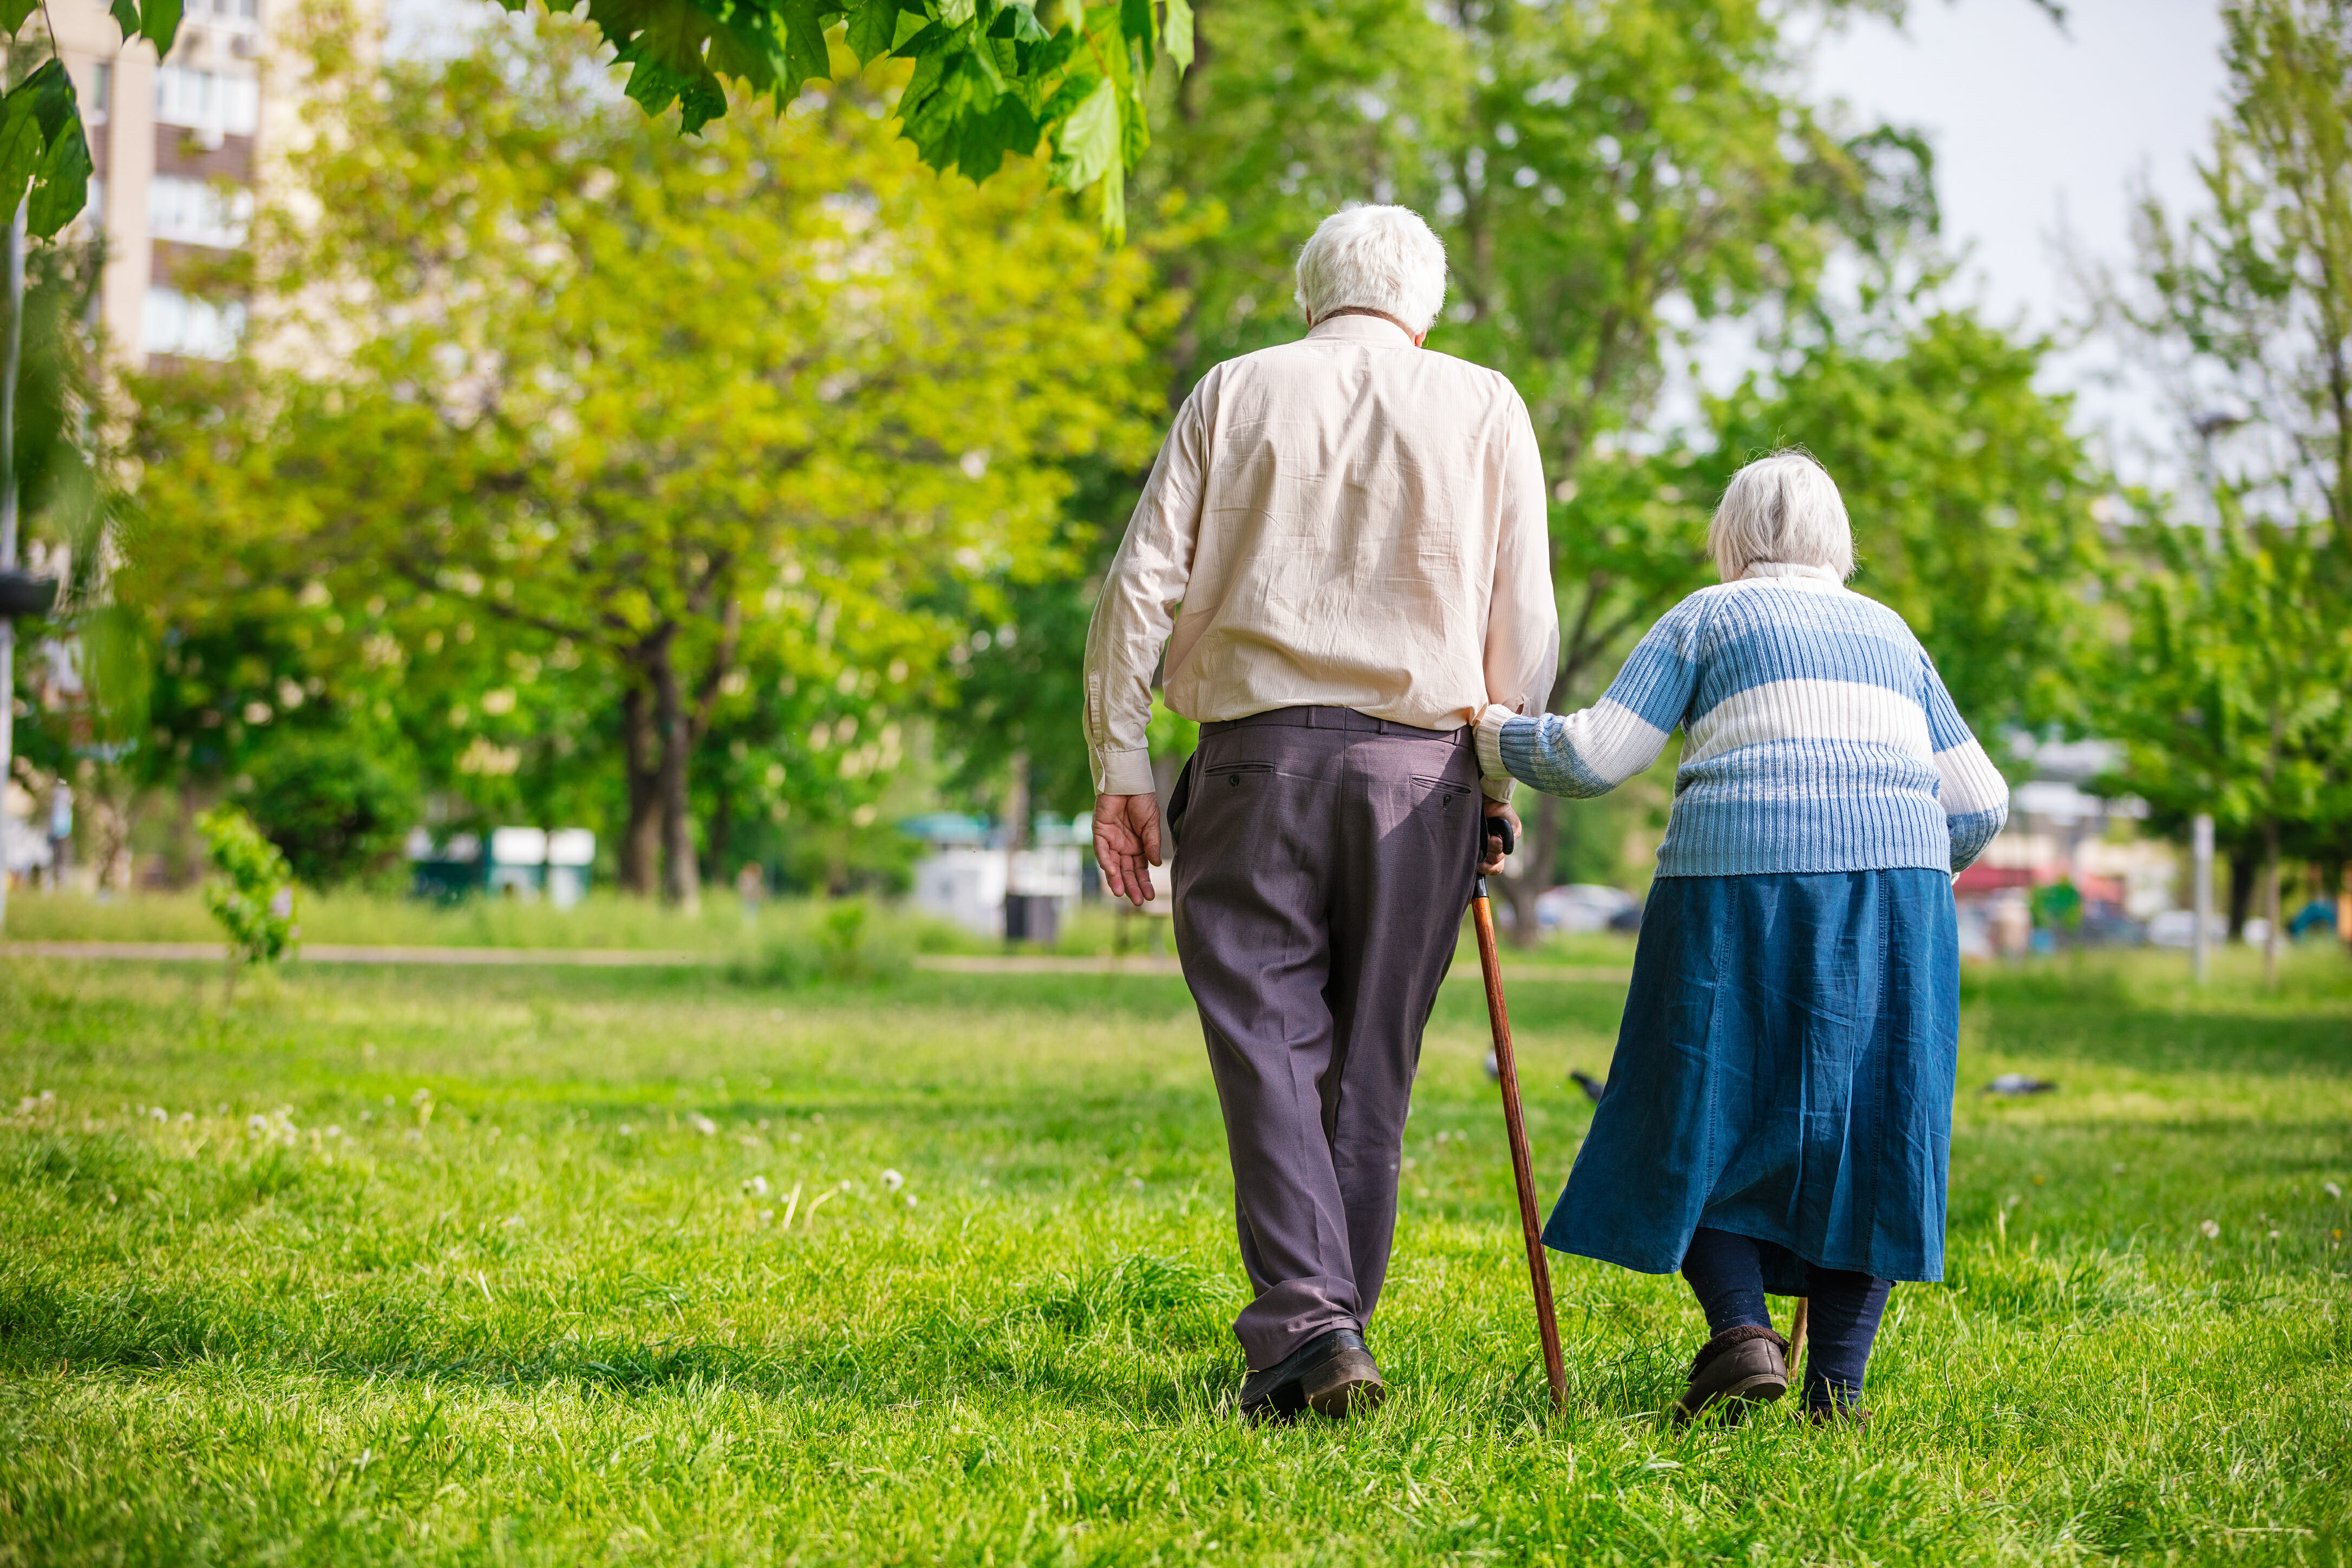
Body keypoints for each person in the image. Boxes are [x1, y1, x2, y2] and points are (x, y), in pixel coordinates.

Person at [1084, 205, 1559, 1421]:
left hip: (1254, 765)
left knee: (1269, 1046)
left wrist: (1121, 762)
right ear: (1428, 303)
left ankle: (1312, 1326)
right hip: (1426, 771)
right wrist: (1498, 786)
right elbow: (1524, 620)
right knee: (1371, 1073)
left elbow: (1139, 588)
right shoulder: (1487, 402)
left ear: (1310, 294)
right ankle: (1327, 1325)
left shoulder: (1235, 390)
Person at [1468, 450, 2009, 1425]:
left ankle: (1744, 1332)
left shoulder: (1708, 615)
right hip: (1899, 896)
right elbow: (1982, 800)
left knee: (1694, 1108)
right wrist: (1910, 867)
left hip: (1734, 886)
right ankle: (1835, 1395)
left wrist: (1494, 733)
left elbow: (1596, 756)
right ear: (1835, 541)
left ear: (1732, 537)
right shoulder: (1891, 632)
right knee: (1873, 1133)